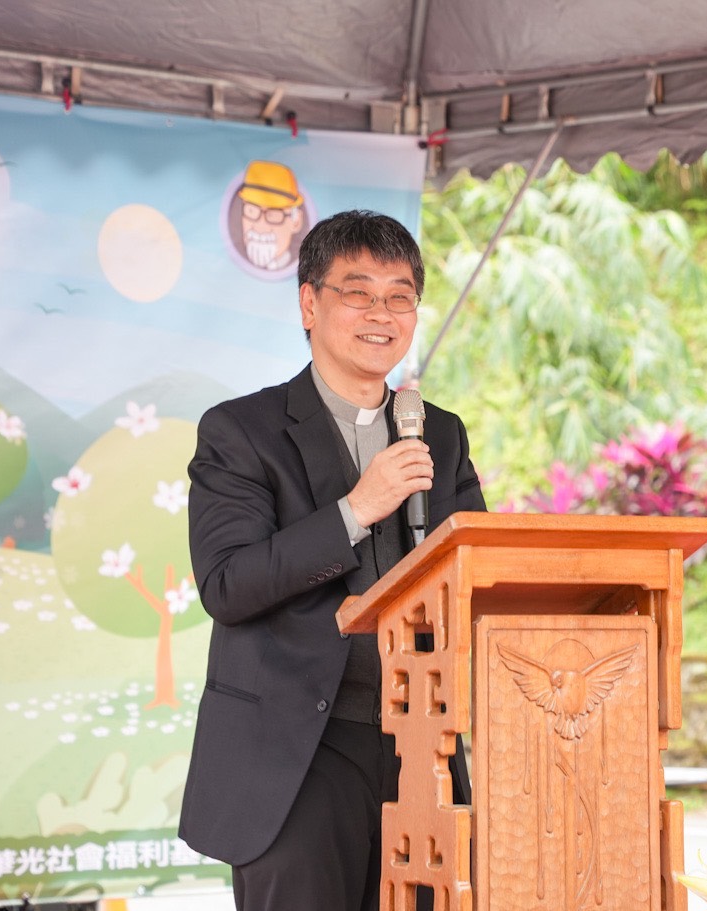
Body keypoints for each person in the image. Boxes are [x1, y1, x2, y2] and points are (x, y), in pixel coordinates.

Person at [178, 209, 486, 911]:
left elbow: (475, 568)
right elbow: (228, 584)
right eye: (359, 292)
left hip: (422, 745)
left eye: (400, 296)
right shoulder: (241, 431)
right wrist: (355, 508)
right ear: (309, 304)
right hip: (296, 752)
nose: (382, 314)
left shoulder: (438, 432)